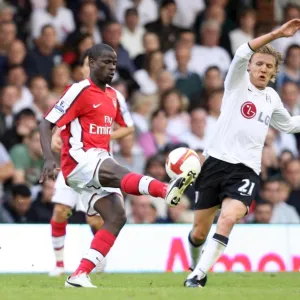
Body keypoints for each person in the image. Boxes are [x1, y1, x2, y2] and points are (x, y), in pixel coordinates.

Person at [39, 43, 195, 288]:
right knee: (116, 173)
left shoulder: (113, 96)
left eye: (113, 62)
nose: (112, 67)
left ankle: (79, 274)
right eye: (105, 62)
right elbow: (46, 123)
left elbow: (128, 127)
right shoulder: (79, 90)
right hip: (80, 161)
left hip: (98, 161)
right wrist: (49, 157)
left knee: (117, 216)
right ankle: (166, 190)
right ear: (90, 63)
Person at [184, 19, 300, 288]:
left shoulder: (271, 98)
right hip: (214, 164)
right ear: (249, 66)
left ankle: (197, 276)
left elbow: (289, 124)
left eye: (268, 66)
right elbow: (240, 53)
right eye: (259, 63)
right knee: (199, 233)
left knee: (228, 218)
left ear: (273, 73)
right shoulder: (236, 84)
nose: (262, 69)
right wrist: (277, 34)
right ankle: (195, 262)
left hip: (245, 170)